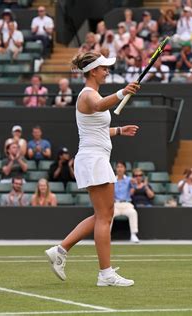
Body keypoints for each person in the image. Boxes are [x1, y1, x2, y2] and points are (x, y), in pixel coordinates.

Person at [45, 51, 140, 287]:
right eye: (104, 68)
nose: (107, 71)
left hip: (94, 158)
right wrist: (122, 92)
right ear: (93, 71)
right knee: (105, 217)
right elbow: (99, 105)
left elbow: (96, 129)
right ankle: (105, 274)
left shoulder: (92, 94)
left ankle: (61, 250)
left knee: (101, 216)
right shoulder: (88, 95)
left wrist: (119, 130)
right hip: (94, 159)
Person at [113, 161, 140, 243]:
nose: (119, 169)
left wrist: (134, 183)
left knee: (133, 212)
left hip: (127, 204)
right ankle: (106, 235)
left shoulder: (129, 180)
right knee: (108, 214)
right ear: (115, 169)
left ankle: (133, 235)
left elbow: (134, 187)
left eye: (121, 167)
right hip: (115, 204)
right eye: (118, 167)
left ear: (124, 169)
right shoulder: (112, 180)